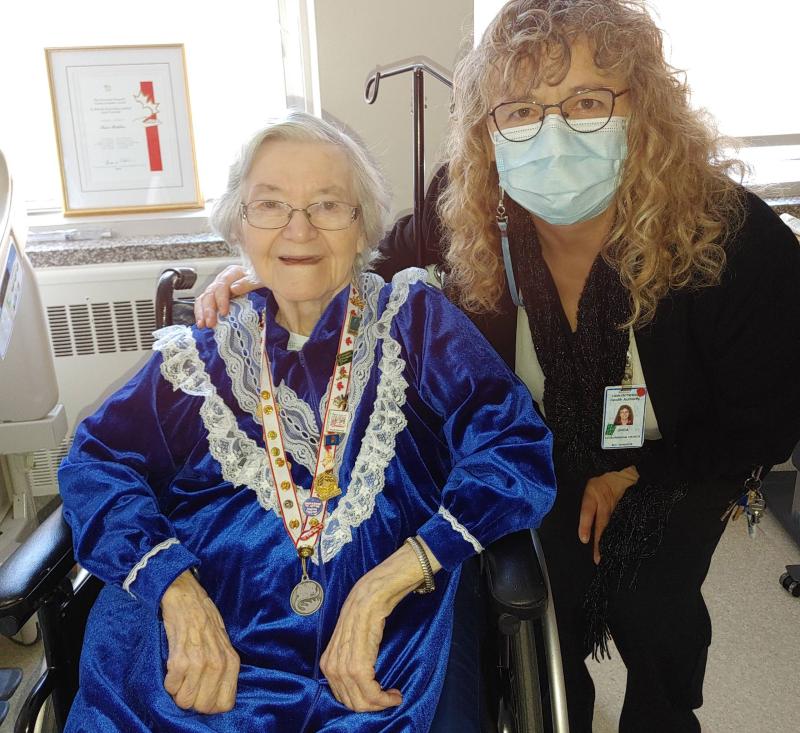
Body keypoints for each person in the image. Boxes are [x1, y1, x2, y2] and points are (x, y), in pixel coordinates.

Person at [195, 2, 800, 732]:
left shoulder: (734, 240)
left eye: (585, 101)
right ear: (488, 129)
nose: (551, 133)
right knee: (538, 595)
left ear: (642, 107)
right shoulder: (470, 206)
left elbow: (766, 415)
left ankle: (665, 712)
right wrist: (285, 272)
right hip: (540, 444)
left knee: (655, 597)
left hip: (683, 451)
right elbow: (382, 270)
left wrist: (642, 471)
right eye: (518, 110)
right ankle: (564, 705)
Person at [58, 112, 556, 733]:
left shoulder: (414, 323)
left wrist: (397, 577)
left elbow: (514, 446)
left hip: (388, 638)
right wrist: (174, 591)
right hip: (205, 644)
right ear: (240, 223)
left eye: (327, 205)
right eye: (270, 205)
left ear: (363, 225)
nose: (299, 228)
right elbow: (96, 462)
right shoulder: (199, 352)